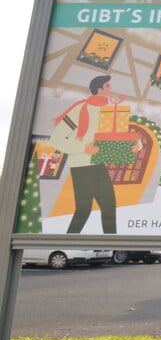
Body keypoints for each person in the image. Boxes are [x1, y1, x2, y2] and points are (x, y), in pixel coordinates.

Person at [48, 75, 138, 233]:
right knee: (84, 209)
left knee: (109, 207)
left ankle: (111, 245)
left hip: (99, 164)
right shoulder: (80, 109)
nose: (111, 89)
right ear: (99, 89)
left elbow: (116, 134)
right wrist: (83, 147)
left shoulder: (110, 110)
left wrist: (135, 145)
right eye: (108, 86)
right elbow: (56, 139)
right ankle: (67, 244)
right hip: (82, 166)